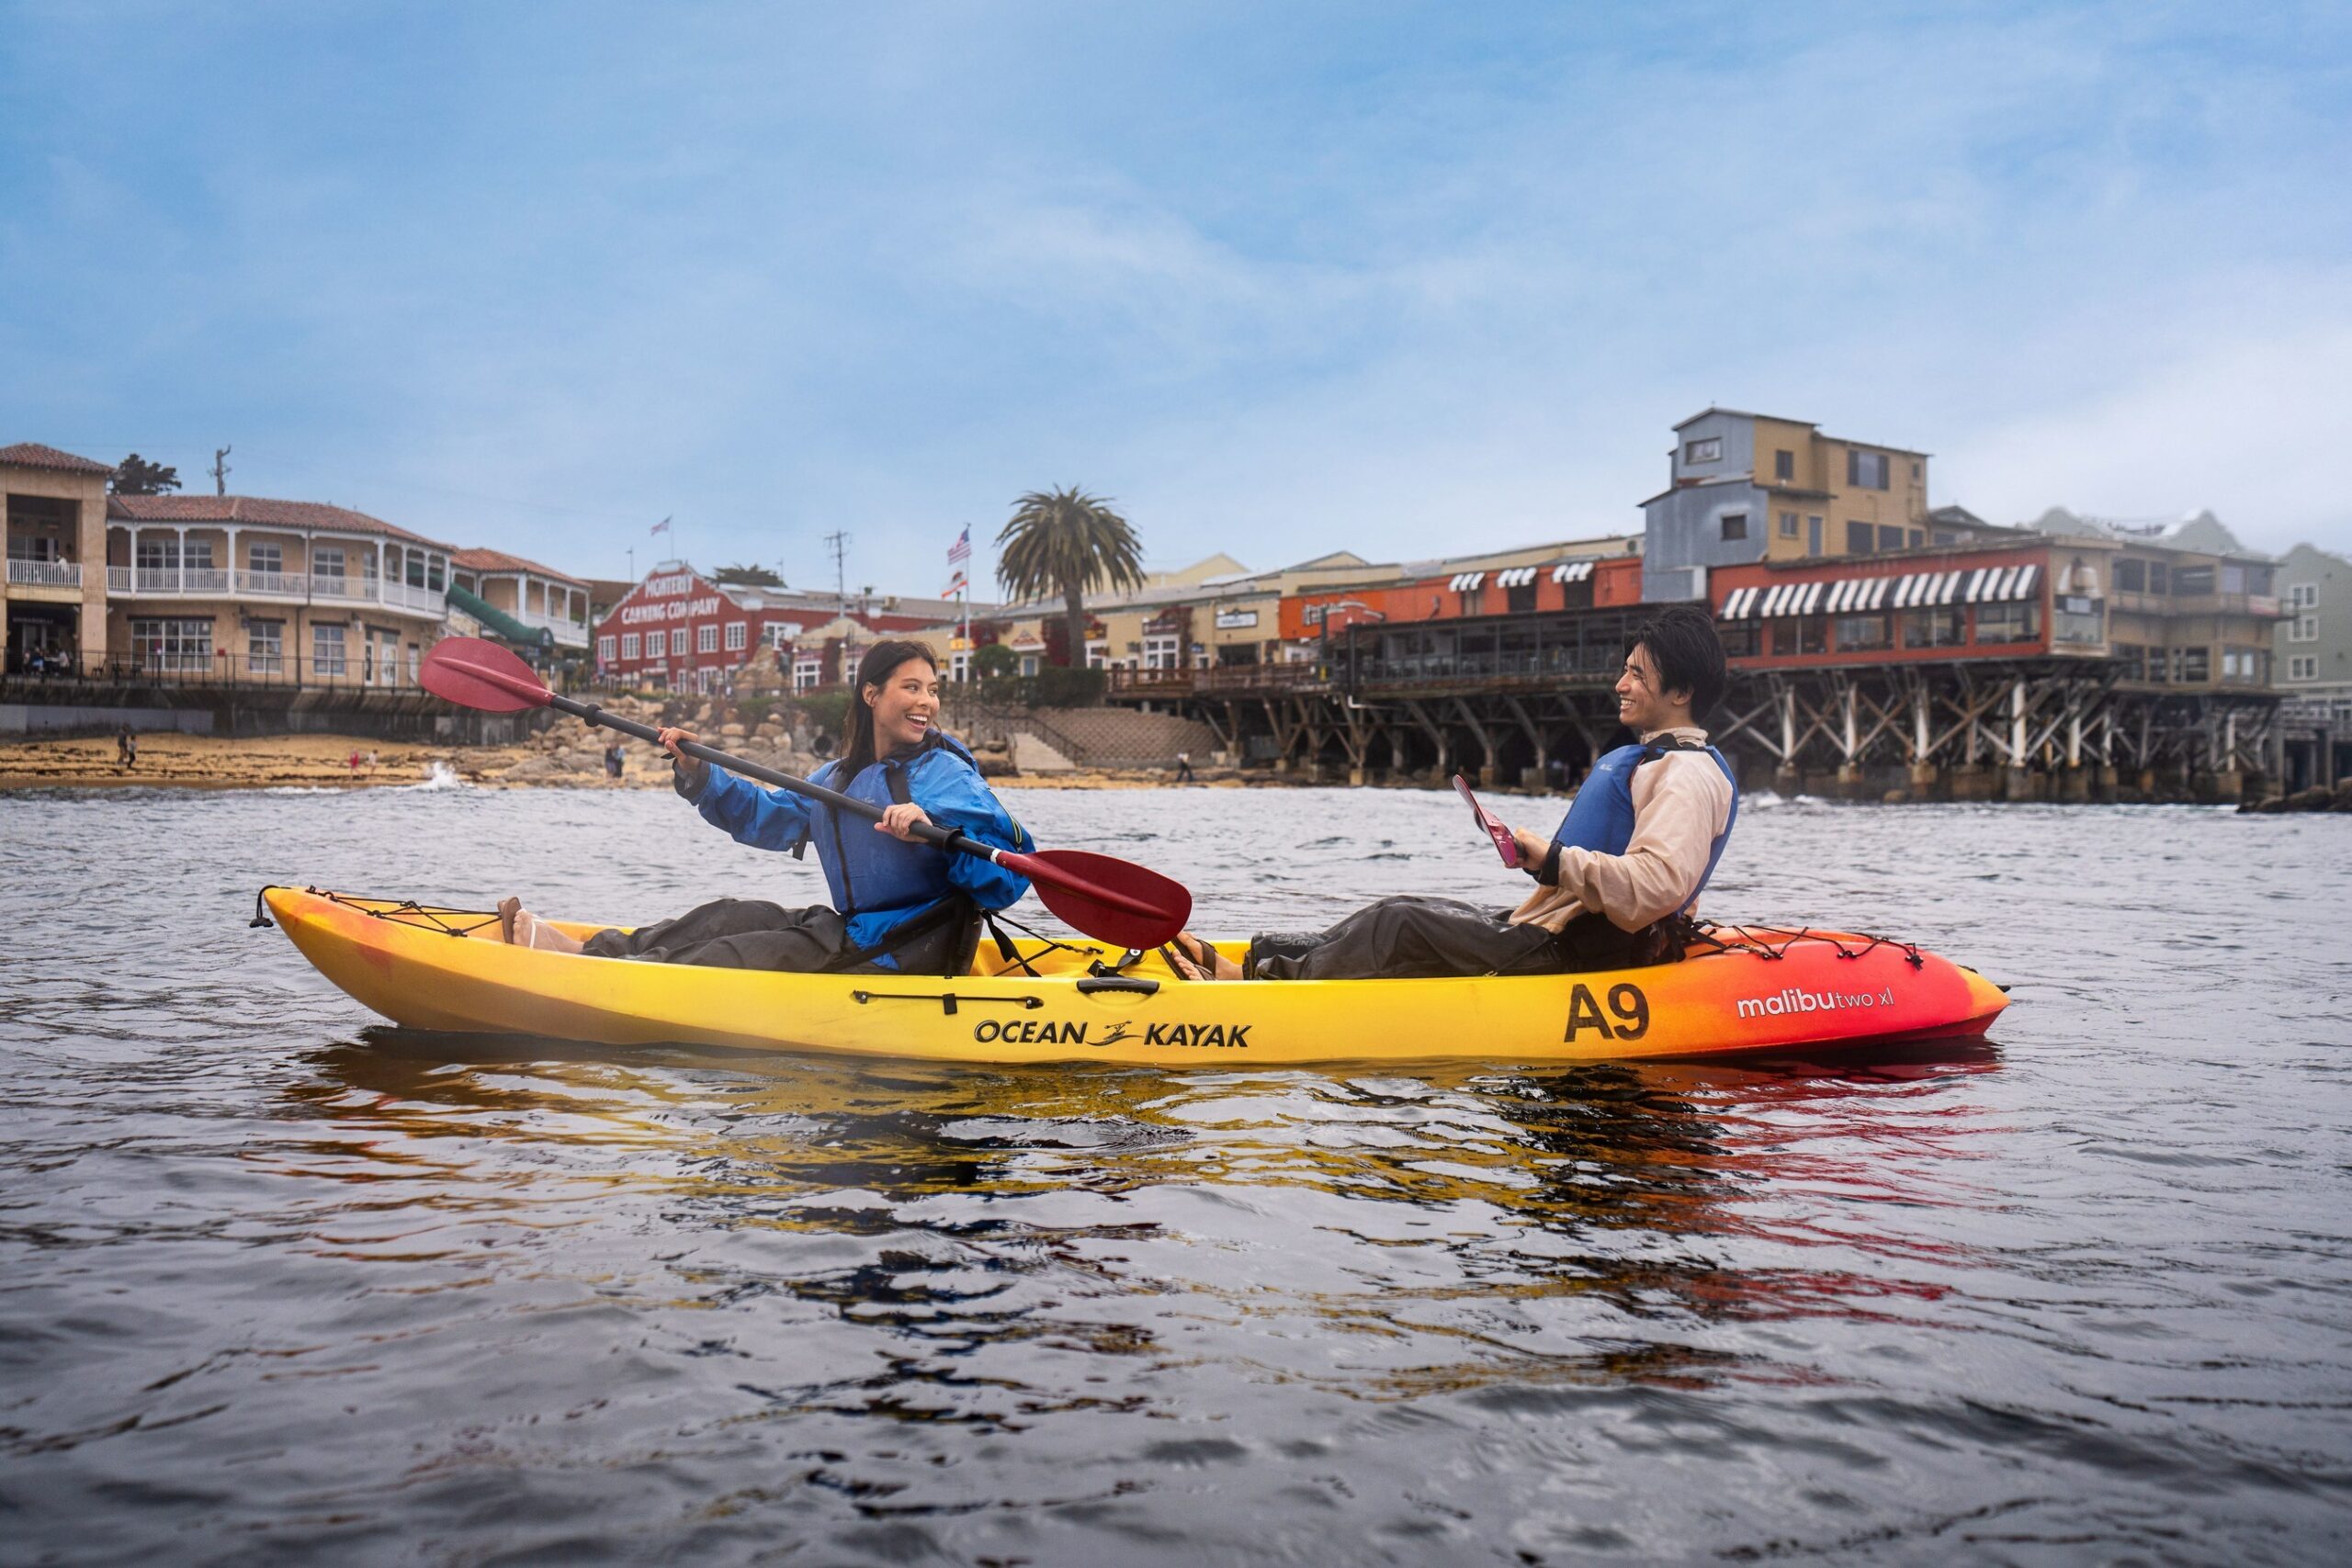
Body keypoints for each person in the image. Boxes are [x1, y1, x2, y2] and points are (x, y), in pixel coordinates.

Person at [1165, 604, 1737, 981]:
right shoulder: (1657, 760)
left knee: (1404, 924)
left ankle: (1255, 986)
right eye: (1626, 670)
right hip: (1563, 926)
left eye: (1637, 673)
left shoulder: (1686, 774)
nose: (1621, 684)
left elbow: (1660, 884)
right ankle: (1256, 958)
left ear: (1682, 689)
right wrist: (1543, 863)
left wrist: (1554, 859)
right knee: (1398, 910)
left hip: (1587, 953)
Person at [497, 640, 1033, 976]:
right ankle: (593, 951)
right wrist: (696, 771)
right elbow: (763, 816)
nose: (926, 702)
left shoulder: (944, 773)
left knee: (740, 953)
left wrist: (933, 829)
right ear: (871, 694)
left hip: (913, 950)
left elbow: (1007, 868)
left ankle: (594, 973)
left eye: (932, 690)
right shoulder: (838, 777)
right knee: (731, 915)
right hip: (858, 935)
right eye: (911, 687)